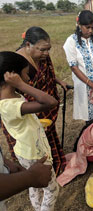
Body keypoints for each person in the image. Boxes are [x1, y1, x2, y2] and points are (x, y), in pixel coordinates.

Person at [2, 26, 68, 175]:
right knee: (33, 145)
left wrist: (58, 81)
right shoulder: (15, 66)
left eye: (48, 49)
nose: (46, 53)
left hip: (43, 108)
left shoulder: (42, 57)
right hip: (28, 112)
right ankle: (34, 174)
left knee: (47, 138)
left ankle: (54, 166)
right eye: (42, 50)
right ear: (27, 45)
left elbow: (47, 75)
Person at [0, 51, 59, 211]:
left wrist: (36, 124)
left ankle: (37, 206)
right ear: (13, 77)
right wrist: (21, 85)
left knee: (33, 185)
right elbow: (50, 102)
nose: (28, 79)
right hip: (35, 152)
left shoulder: (12, 98)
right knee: (52, 189)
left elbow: (22, 120)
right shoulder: (9, 105)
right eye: (25, 75)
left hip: (25, 150)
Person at [0, 146, 52, 211]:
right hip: (32, 153)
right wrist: (31, 176)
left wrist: (5, 162)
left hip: (24, 152)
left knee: (35, 190)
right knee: (51, 190)